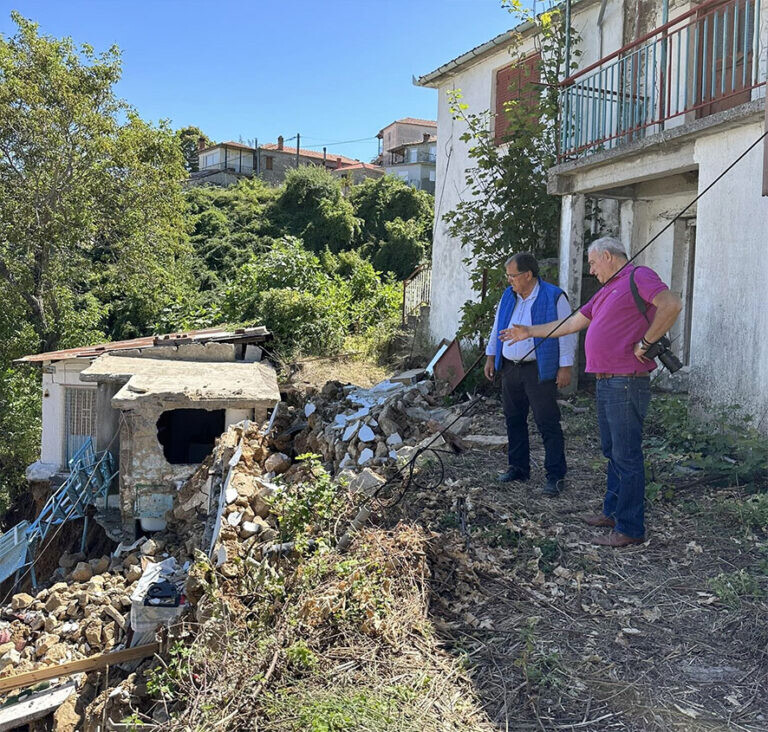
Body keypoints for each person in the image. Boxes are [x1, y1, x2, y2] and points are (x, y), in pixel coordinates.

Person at [503, 237, 682, 547]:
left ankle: (630, 528)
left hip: (625, 380)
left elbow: (672, 304)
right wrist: (529, 331)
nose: (591, 269)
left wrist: (648, 342)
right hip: (607, 380)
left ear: (608, 257)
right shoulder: (605, 291)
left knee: (626, 454)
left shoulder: (638, 276)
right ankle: (613, 512)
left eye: (592, 262)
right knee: (613, 451)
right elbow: (572, 323)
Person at [484, 252, 576, 496]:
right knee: (513, 418)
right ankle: (518, 468)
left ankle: (555, 475)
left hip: (539, 368)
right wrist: (492, 356)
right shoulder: (509, 296)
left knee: (547, 421)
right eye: (508, 276)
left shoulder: (554, 296)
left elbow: (567, 332)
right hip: (511, 367)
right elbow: (497, 327)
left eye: (513, 276)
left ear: (528, 275)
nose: (509, 280)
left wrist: (565, 366)